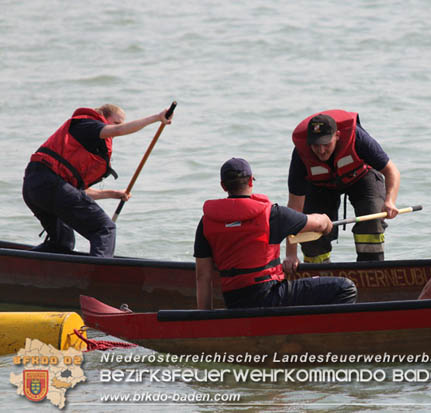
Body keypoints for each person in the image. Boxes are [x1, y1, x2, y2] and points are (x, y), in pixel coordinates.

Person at [194, 158, 358, 309]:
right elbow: (318, 224)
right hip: (270, 296)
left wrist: (206, 317)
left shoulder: (207, 221)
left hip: (233, 301)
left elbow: (203, 275)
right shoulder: (272, 214)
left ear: (223, 186)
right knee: (345, 288)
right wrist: (325, 220)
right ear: (251, 181)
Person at [22, 104, 172, 257]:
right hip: (47, 183)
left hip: (35, 187)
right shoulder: (87, 124)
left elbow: (72, 192)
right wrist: (156, 118)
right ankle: (99, 277)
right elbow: (119, 131)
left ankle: (19, 265)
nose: (117, 129)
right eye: (116, 123)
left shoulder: (85, 143)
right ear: (103, 116)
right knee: (105, 229)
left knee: (62, 242)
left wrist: (113, 194)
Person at [283, 110, 401, 273]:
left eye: (326, 144)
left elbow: (391, 171)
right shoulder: (301, 155)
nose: (321, 150)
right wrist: (291, 255)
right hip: (320, 186)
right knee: (310, 228)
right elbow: (295, 208)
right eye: (316, 145)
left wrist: (390, 201)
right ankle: (319, 275)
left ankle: (371, 270)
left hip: (361, 177)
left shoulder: (358, 138)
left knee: (371, 217)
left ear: (337, 135)